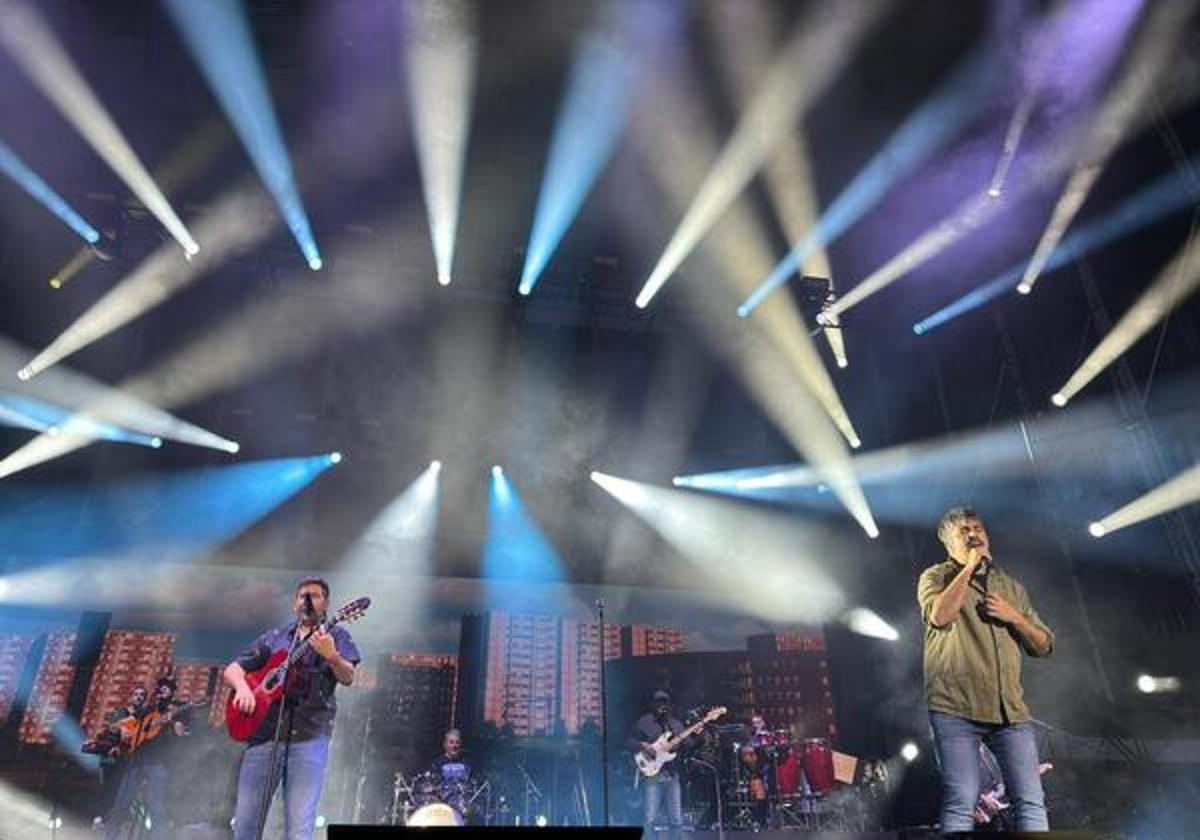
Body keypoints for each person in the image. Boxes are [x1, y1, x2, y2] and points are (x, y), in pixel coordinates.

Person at [918, 506, 1054, 832]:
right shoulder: (935, 577)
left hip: (1010, 712)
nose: (972, 534)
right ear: (949, 543)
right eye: (963, 530)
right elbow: (940, 616)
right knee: (960, 802)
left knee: (1031, 801)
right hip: (956, 707)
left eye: (977, 528)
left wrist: (1015, 616)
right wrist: (969, 569)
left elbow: (1044, 645)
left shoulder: (1010, 587)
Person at [225, 577, 360, 840]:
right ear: (294, 603)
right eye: (302, 596)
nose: (307, 601)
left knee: (299, 828)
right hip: (264, 737)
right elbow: (232, 669)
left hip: (309, 740)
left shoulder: (337, 636)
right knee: (244, 825)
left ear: (326, 604)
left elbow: (348, 676)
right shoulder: (275, 638)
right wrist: (242, 689)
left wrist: (331, 655)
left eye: (315, 596)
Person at [104, 676, 191, 839]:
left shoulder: (176, 711)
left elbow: (184, 734)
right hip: (136, 761)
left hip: (159, 764)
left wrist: (176, 726)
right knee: (120, 806)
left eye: (165, 689)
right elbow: (123, 727)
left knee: (156, 808)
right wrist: (123, 732)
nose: (161, 692)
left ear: (172, 693)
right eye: (159, 689)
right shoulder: (147, 711)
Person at [627, 689, 695, 840]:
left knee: (676, 819)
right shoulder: (643, 722)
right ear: (653, 704)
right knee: (650, 817)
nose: (662, 705)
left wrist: (688, 740)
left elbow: (689, 744)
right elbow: (629, 742)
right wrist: (643, 745)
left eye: (665, 702)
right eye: (659, 702)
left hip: (672, 774)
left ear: (669, 705)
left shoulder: (675, 724)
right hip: (652, 774)